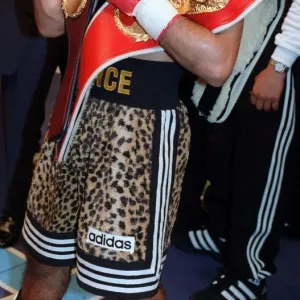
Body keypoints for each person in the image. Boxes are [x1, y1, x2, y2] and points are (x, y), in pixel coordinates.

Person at [17, 0, 267, 299]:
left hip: (139, 127)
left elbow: (216, 64)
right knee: (43, 262)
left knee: (129, 287)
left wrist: (141, 4)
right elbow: (51, 24)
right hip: (74, 108)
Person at [173, 0, 299, 299]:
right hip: (254, 29)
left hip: (283, 50)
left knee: (263, 163)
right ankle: (221, 231)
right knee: (227, 143)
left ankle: (250, 274)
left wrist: (280, 63)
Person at [0, 0, 68, 248]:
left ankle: (73, 213)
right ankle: (8, 207)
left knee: (83, 123)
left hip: (91, 22)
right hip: (24, 20)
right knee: (19, 120)